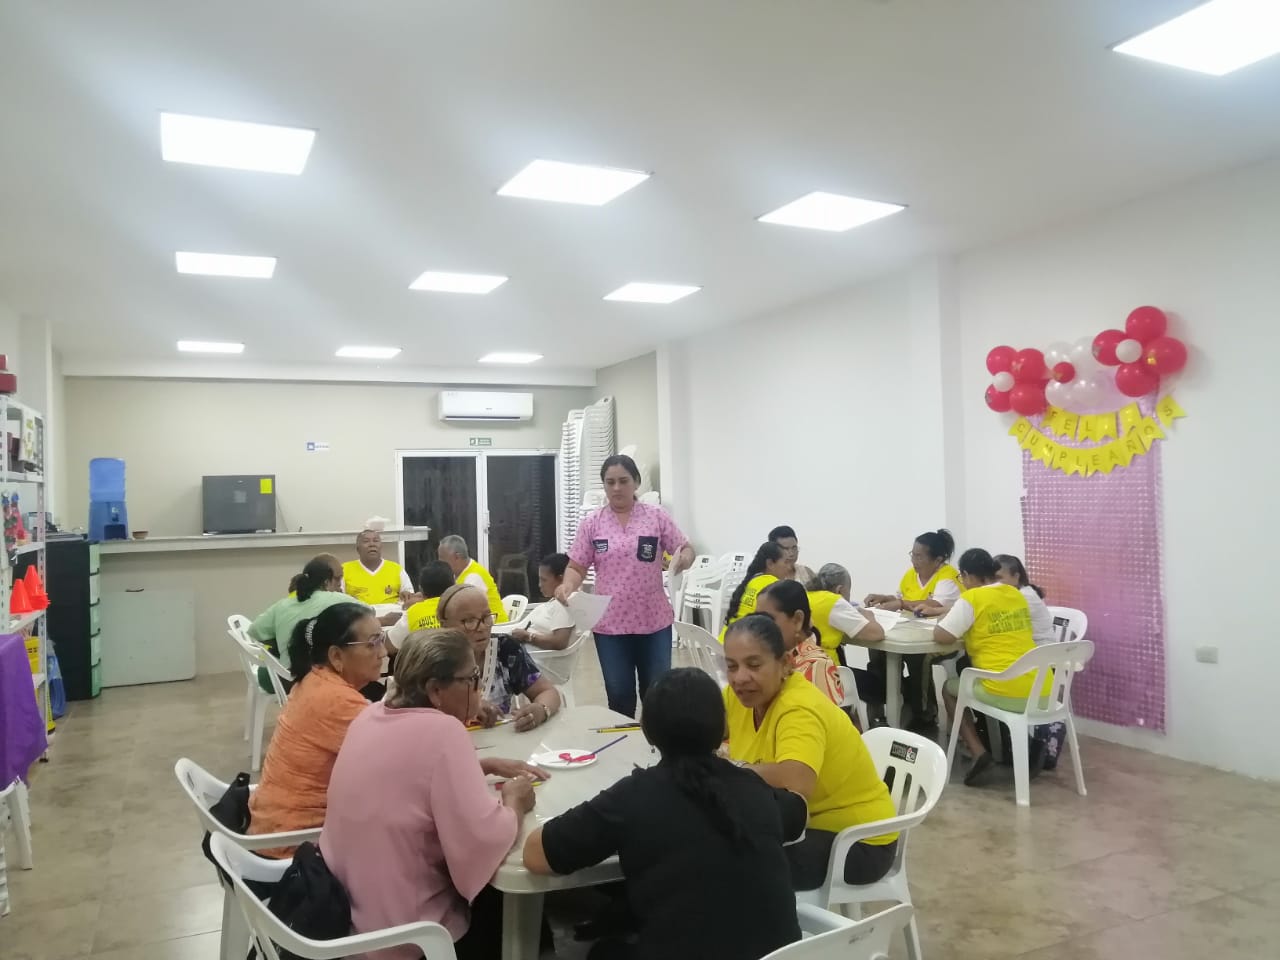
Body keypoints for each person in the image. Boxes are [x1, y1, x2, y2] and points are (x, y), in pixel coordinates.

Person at [522, 668, 806, 960]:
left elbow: (535, 856)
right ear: (724, 726)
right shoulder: (754, 788)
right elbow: (798, 811)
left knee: (603, 951)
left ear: (647, 731)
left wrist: (515, 804)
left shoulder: (633, 797)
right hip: (785, 955)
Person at [321, 629, 547, 960]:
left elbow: (409, 778)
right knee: (514, 900)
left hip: (347, 917)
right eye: (471, 679)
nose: (478, 689)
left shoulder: (370, 714)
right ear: (435, 690)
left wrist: (480, 766)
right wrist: (515, 800)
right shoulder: (444, 731)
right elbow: (482, 839)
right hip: (409, 935)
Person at [722, 614, 898, 891]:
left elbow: (797, 779)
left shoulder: (798, 707)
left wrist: (730, 769)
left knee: (733, 863)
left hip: (858, 840)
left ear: (785, 664)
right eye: (731, 667)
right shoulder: (739, 696)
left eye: (754, 665)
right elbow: (702, 729)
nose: (740, 678)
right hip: (802, 823)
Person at [557, 454, 694, 718]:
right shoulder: (592, 523)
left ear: (636, 482)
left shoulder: (656, 517)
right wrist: (567, 586)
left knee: (657, 694)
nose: (617, 488)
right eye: (610, 482)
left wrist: (684, 559)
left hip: (653, 621)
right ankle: (625, 742)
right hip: (610, 625)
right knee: (619, 693)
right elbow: (576, 566)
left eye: (623, 481)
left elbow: (685, 548)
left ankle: (655, 742)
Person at [247, 603, 385, 856]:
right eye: (372, 643)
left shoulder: (314, 678)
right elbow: (400, 761)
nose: (383, 653)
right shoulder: (336, 700)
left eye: (382, 640)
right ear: (336, 656)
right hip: (297, 844)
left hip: (272, 822)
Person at [935, 548, 1047, 786]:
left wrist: (942, 620)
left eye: (962, 577)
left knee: (949, 689)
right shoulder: (1015, 593)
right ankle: (1000, 746)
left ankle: (979, 754)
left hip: (1005, 689)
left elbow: (942, 636)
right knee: (971, 675)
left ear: (967, 575)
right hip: (1042, 686)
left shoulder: (972, 598)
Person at [862, 529, 961, 729]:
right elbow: (902, 599)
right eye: (912, 554)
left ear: (937, 560)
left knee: (917, 657)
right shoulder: (911, 575)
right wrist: (885, 598)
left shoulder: (948, 577)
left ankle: (924, 713)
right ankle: (885, 702)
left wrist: (900, 603)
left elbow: (934, 604)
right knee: (877, 650)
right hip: (911, 632)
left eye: (919, 556)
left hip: (941, 639)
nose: (914, 561)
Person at [438, 584, 561, 732]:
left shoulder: (505, 649)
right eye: (469, 621)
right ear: (444, 626)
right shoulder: (433, 659)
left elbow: (548, 692)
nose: (482, 627)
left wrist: (541, 710)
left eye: (486, 617)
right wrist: (467, 706)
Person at [249, 555, 349, 681]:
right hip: (319, 681)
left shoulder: (283, 604)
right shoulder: (337, 599)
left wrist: (283, 643)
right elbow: (368, 616)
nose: (340, 584)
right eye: (338, 579)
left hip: (286, 679)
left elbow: (254, 630)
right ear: (326, 582)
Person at [755, 580, 843, 705]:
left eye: (767, 620)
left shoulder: (816, 667)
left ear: (797, 620)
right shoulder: (775, 659)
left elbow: (823, 717)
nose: (759, 628)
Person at [806, 563, 885, 665]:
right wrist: (870, 617)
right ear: (839, 590)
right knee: (875, 673)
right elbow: (877, 634)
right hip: (827, 669)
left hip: (805, 666)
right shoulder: (834, 602)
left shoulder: (807, 595)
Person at [717, 542, 787, 642]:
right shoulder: (773, 584)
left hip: (722, 642)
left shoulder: (752, 580)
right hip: (740, 645)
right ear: (770, 563)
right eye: (786, 562)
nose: (789, 567)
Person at [385, 560, 456, 655]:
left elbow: (389, 645)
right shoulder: (461, 608)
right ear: (454, 584)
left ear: (421, 589)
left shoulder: (414, 612)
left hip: (423, 663)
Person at [511, 553, 576, 651]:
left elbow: (560, 642)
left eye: (544, 580)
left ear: (560, 579)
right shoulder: (554, 602)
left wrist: (528, 636)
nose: (540, 585)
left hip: (534, 659)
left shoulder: (563, 605)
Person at [438, 535, 508, 623]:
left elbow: (462, 609)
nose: (440, 562)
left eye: (443, 559)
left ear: (457, 557)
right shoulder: (458, 573)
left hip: (494, 626)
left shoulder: (474, 577)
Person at [994, 554, 1055, 645]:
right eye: (991, 578)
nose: (993, 583)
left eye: (998, 578)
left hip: (1039, 648)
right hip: (1026, 644)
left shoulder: (1025, 596)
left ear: (1016, 577)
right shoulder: (1017, 592)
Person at [343, 529, 413, 606]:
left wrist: (406, 595)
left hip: (392, 612)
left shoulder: (397, 569)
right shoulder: (344, 569)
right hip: (358, 612)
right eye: (366, 541)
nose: (372, 544)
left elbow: (409, 596)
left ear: (381, 546)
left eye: (376, 541)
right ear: (358, 549)